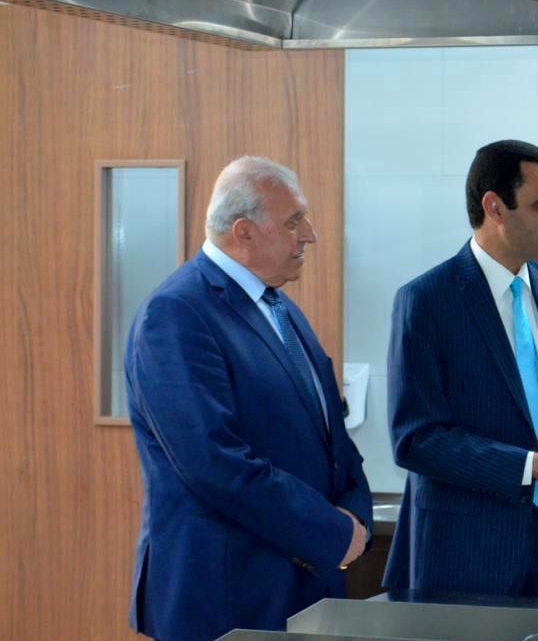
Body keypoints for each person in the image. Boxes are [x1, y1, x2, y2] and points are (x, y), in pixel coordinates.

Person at [126, 156, 372, 641]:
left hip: (303, 588)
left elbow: (331, 438)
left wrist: (355, 515)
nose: (310, 235)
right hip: (225, 597)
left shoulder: (280, 308)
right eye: (294, 221)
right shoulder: (176, 313)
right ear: (244, 232)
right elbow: (213, 462)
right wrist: (331, 531)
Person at [384, 140, 538, 601]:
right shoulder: (427, 301)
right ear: (494, 207)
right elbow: (416, 438)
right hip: (469, 556)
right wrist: (531, 468)